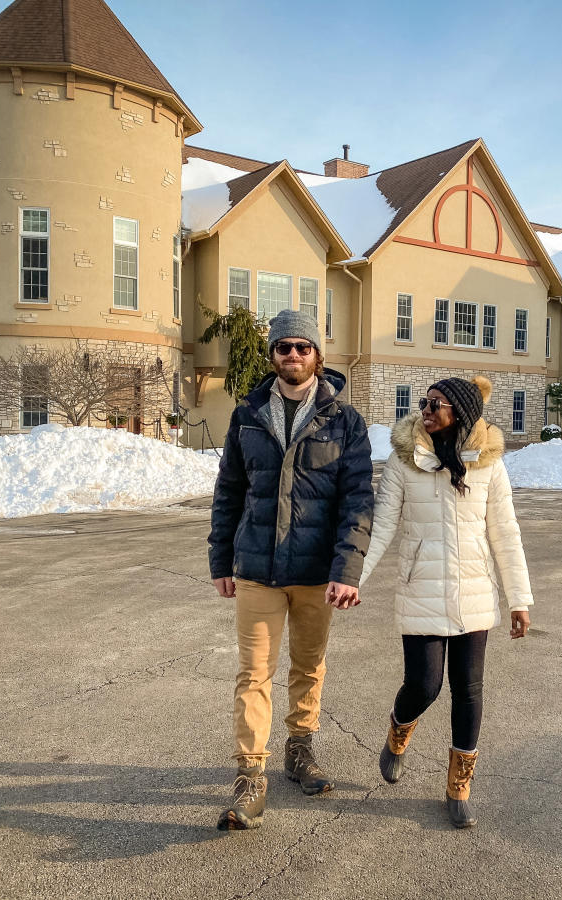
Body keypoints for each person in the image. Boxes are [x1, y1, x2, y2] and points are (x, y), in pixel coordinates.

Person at [209, 308, 374, 830]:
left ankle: (299, 748)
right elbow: (229, 493)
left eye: (304, 347)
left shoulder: (345, 421)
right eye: (285, 348)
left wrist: (347, 569)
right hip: (257, 566)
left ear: (318, 357)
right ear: (273, 355)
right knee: (254, 673)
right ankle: (250, 779)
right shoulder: (246, 415)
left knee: (308, 667)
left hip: (316, 573)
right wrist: (221, 560)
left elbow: (358, 502)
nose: (294, 355)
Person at [360, 375, 532, 828]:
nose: (427, 410)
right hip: (420, 588)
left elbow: (505, 534)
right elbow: (381, 527)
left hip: (475, 591)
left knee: (468, 690)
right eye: (424, 402)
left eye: (436, 403)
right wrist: (352, 579)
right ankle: (398, 733)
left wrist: (519, 599)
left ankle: (459, 787)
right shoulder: (405, 461)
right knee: (425, 685)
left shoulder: (488, 465)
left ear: (461, 411)